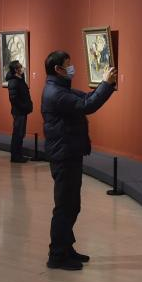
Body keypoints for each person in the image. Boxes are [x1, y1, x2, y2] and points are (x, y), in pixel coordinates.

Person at [41, 50, 117, 270]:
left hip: (69, 152)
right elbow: (87, 106)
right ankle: (57, 255)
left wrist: (105, 86)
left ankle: (66, 247)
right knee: (65, 207)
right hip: (63, 155)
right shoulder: (56, 93)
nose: (71, 68)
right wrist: (106, 84)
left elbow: (85, 98)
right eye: (68, 64)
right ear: (58, 69)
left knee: (72, 205)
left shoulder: (60, 89)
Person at [5, 60, 33, 163]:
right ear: (16, 69)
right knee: (18, 133)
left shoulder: (19, 79)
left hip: (21, 110)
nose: (21, 69)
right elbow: (14, 98)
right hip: (19, 111)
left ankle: (18, 155)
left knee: (20, 133)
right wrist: (24, 106)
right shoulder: (14, 81)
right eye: (20, 67)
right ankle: (16, 156)